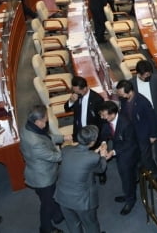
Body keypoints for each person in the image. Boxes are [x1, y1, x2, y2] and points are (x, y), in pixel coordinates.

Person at [20, 105, 70, 233]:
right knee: (46, 205)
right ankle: (46, 228)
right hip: (43, 178)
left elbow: (46, 138)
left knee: (49, 198)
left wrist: (63, 138)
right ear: (37, 121)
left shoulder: (28, 127)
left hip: (36, 170)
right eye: (45, 120)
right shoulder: (35, 143)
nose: (46, 122)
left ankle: (57, 216)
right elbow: (55, 157)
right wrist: (70, 152)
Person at [55, 125, 107, 233]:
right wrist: (102, 156)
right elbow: (101, 169)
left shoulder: (65, 150)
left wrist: (94, 154)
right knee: (91, 225)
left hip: (62, 197)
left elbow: (80, 160)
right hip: (82, 201)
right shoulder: (93, 157)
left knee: (73, 225)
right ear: (92, 142)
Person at [98, 101, 140, 216]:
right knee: (124, 176)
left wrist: (113, 152)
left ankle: (130, 200)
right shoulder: (108, 121)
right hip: (119, 151)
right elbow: (105, 133)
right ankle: (127, 194)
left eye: (104, 115)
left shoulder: (126, 124)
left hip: (129, 154)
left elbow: (129, 144)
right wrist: (104, 143)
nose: (102, 117)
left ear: (112, 114)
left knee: (127, 177)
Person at [116, 80, 157, 180]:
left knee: (146, 157)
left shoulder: (143, 102)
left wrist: (153, 135)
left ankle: (155, 174)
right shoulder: (124, 100)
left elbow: (152, 119)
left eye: (122, 94)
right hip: (131, 134)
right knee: (136, 154)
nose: (121, 96)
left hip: (143, 134)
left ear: (130, 92)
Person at [131, 60, 157, 169]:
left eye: (149, 75)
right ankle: (146, 160)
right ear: (138, 73)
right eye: (145, 76)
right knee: (142, 138)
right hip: (140, 115)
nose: (148, 77)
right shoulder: (131, 83)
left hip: (155, 112)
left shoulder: (155, 79)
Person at [64, 76, 103, 142]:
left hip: (90, 134)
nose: (76, 93)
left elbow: (101, 121)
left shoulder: (97, 100)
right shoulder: (76, 94)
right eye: (74, 91)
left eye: (78, 92)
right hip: (78, 131)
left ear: (85, 88)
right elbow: (67, 109)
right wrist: (71, 101)